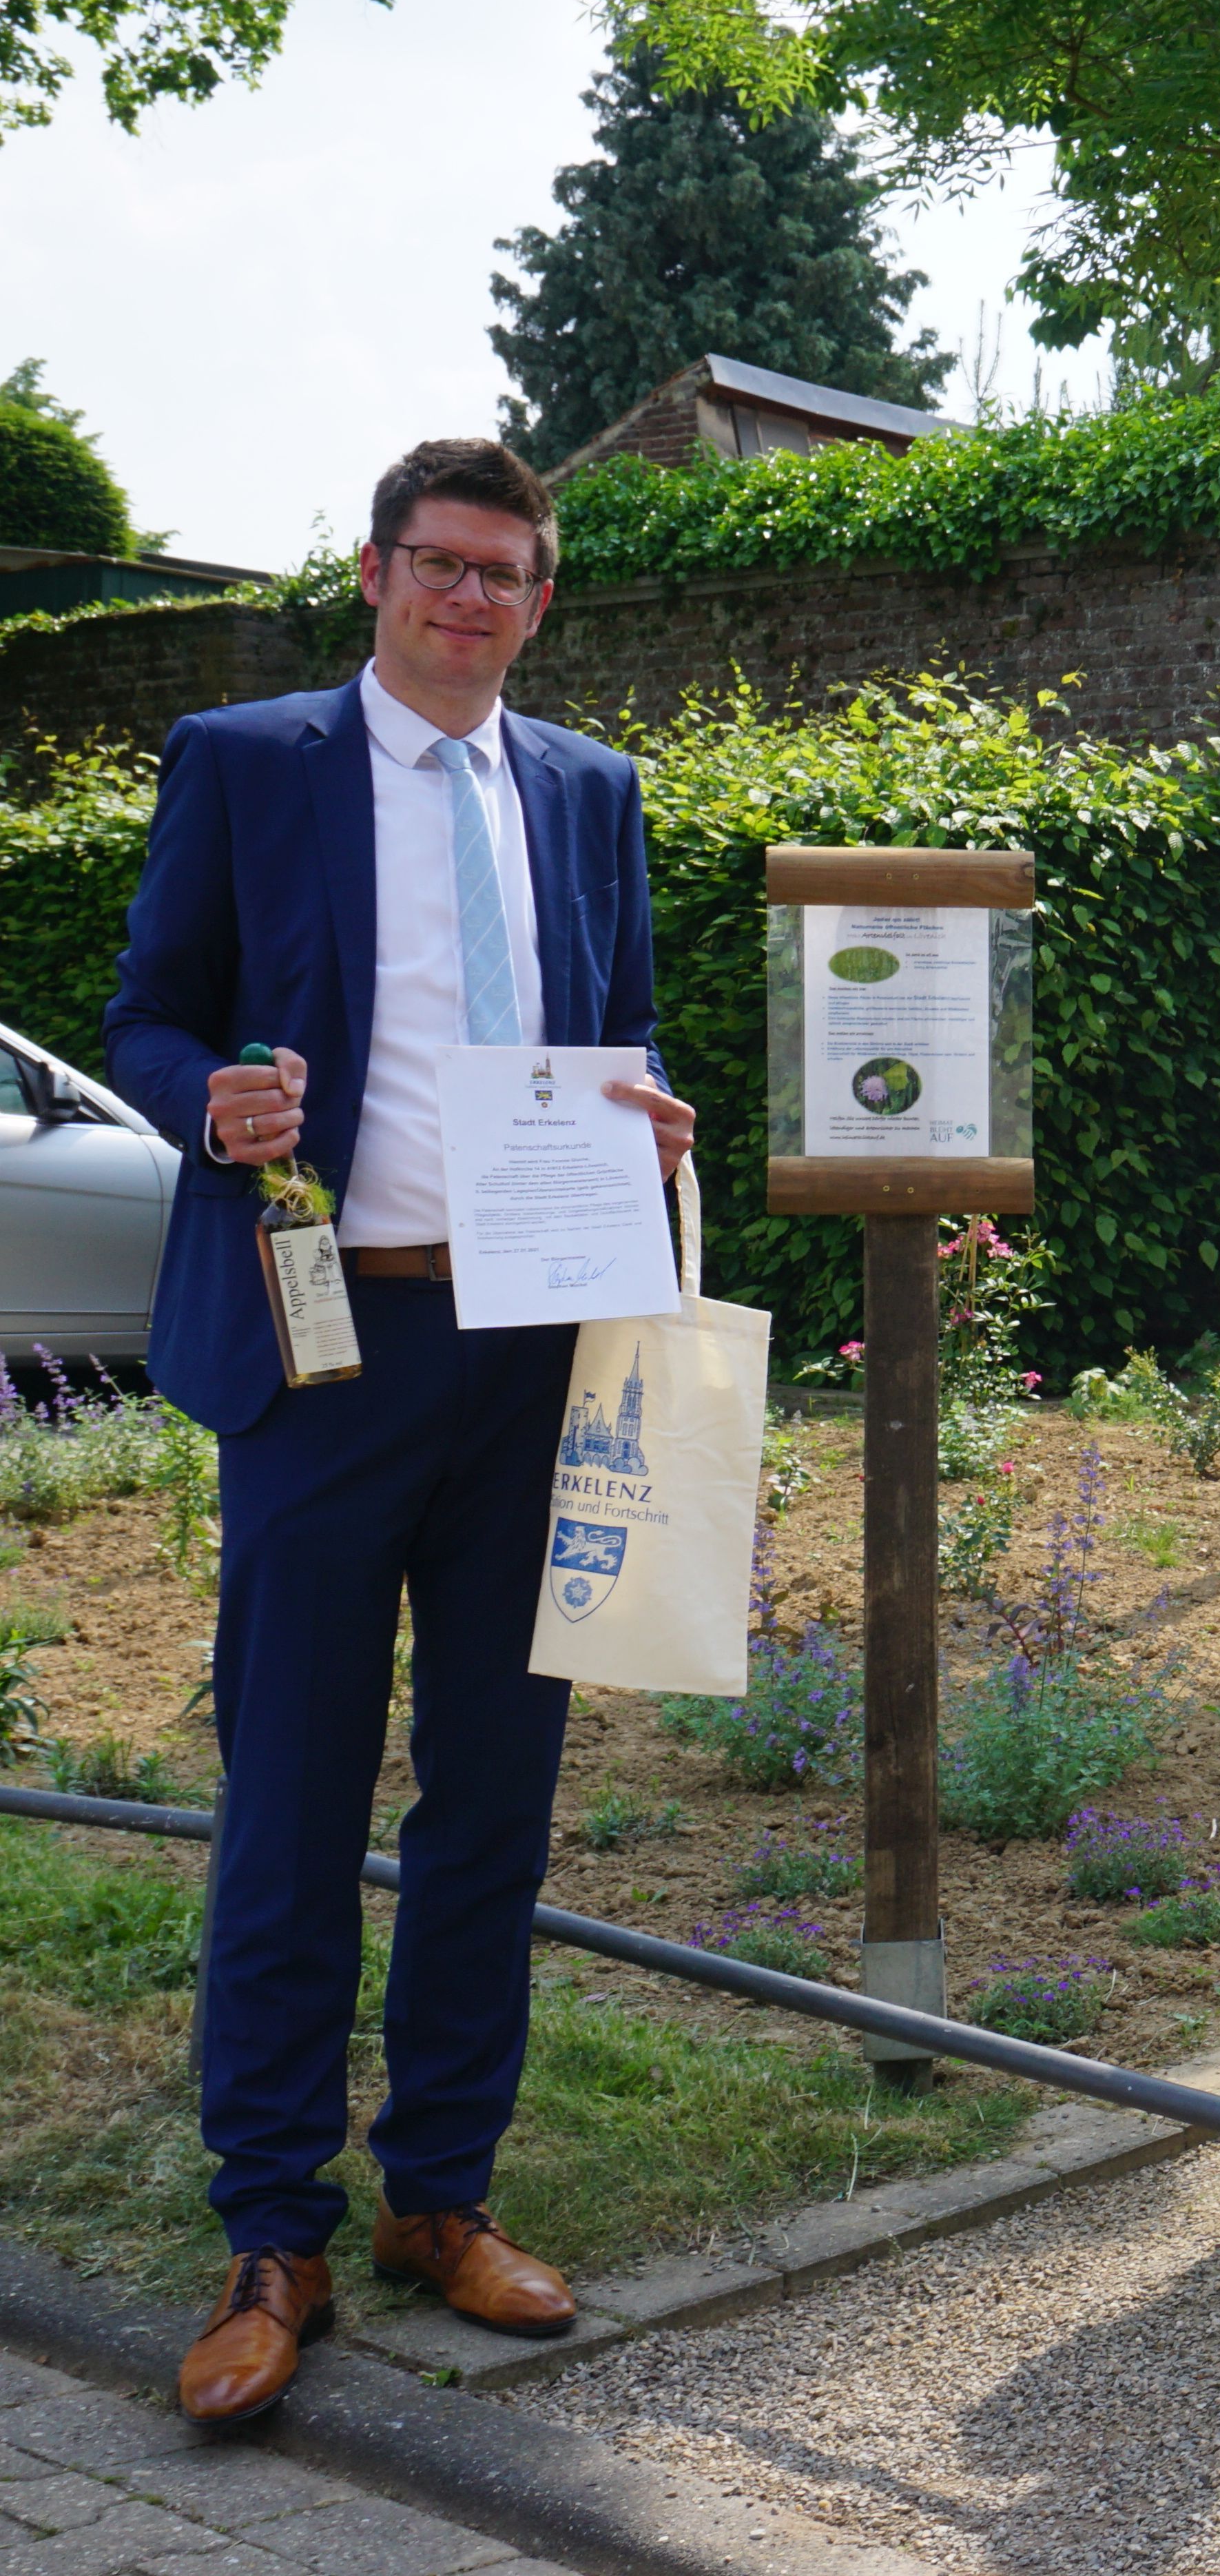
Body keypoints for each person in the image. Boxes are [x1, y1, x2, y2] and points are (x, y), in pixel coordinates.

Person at [101, 438, 697, 2424]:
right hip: (322, 1350)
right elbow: (147, 1012)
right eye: (437, 564)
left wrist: (650, 1120)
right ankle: (272, 2231)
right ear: (374, 574)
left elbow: (620, 1024)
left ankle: (441, 2190)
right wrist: (209, 1103)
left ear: (541, 597)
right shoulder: (248, 760)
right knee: (290, 1794)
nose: (467, 598)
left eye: (502, 572)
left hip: (531, 1346)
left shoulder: (590, 790)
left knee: (494, 1795)